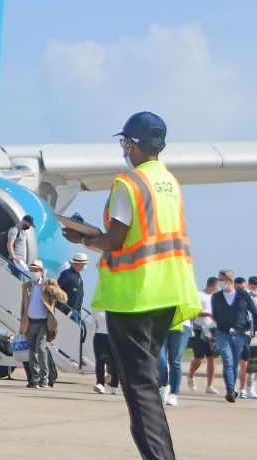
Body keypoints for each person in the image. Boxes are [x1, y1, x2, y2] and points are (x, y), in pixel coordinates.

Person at [62, 112, 199, 460]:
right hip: (169, 292)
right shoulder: (168, 182)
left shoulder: (130, 182)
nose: (125, 149)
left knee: (138, 387)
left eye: (126, 142)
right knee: (146, 383)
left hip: (135, 295)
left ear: (134, 144)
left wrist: (83, 238)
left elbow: (115, 239)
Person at [211, 269, 257, 403]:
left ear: (230, 281)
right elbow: (214, 314)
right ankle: (230, 390)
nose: (219, 283)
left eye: (222, 280)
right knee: (227, 361)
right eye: (218, 280)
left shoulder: (242, 295)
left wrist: (255, 328)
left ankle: (233, 388)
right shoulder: (217, 296)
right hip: (222, 333)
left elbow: (254, 312)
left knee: (234, 364)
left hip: (239, 334)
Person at [19, 259, 67, 389]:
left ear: (41, 271)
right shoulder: (26, 286)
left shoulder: (48, 283)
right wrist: (21, 324)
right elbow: (24, 305)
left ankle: (44, 378)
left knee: (41, 349)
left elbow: (64, 297)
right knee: (32, 351)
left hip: (43, 323)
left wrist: (54, 290)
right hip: (30, 322)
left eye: (36, 270)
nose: (33, 272)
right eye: (31, 270)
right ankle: (34, 379)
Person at [186, 277, 220, 395]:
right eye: (217, 286)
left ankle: (210, 385)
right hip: (198, 329)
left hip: (211, 330)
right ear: (214, 285)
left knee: (212, 358)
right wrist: (208, 314)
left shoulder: (216, 297)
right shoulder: (199, 295)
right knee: (199, 358)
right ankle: (190, 375)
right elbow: (194, 311)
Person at [157, 317, 190, 407]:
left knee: (175, 361)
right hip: (162, 324)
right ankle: (164, 384)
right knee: (160, 359)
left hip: (181, 325)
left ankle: (173, 393)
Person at [93, 310, 121, 395]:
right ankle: (100, 383)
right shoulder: (97, 308)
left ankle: (114, 385)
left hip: (114, 336)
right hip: (99, 335)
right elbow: (94, 325)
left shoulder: (116, 308)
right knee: (100, 360)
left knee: (115, 362)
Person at [58, 252, 88, 318]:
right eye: (83, 264)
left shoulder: (78, 276)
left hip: (76, 311)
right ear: (77, 263)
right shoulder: (66, 274)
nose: (84, 266)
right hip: (67, 311)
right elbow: (58, 288)